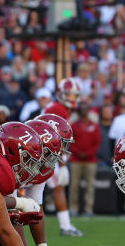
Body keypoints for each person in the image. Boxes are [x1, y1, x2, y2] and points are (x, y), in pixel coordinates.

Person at [42, 78, 84, 237]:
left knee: (54, 188)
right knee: (57, 187)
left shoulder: (60, 109)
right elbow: (55, 137)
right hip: (45, 154)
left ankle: (65, 225)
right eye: (70, 95)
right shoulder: (58, 109)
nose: (72, 99)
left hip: (46, 153)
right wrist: (62, 163)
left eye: (74, 96)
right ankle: (65, 226)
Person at [69, 102, 101, 216]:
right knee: (74, 185)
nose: (84, 111)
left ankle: (89, 209)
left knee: (90, 186)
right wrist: (78, 153)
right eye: (82, 109)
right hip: (76, 160)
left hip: (90, 160)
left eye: (86, 109)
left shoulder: (94, 125)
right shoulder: (74, 125)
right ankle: (73, 208)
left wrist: (87, 153)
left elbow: (97, 143)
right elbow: (71, 141)